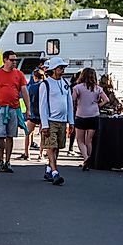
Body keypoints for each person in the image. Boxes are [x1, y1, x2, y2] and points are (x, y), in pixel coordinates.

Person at [0, 50, 30, 173]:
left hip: (14, 109)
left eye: (15, 59)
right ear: (5, 60)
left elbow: (24, 92)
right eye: (12, 59)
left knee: (10, 136)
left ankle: (8, 161)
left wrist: (28, 109)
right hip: (0, 108)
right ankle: (0, 159)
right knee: (0, 135)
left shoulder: (19, 74)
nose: (14, 62)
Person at [39, 56, 74, 185]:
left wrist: (71, 121)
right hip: (51, 120)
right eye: (60, 68)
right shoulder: (46, 84)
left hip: (62, 121)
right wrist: (45, 124)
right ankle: (55, 172)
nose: (63, 70)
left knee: (58, 146)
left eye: (63, 68)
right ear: (53, 69)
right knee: (51, 146)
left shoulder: (65, 83)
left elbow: (69, 103)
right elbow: (43, 105)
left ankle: (49, 169)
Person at [73, 67, 109, 170]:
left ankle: (85, 158)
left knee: (80, 140)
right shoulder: (98, 88)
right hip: (94, 115)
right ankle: (89, 162)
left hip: (81, 115)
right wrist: (98, 105)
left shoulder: (78, 87)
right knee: (89, 140)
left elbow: (73, 99)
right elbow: (106, 99)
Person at [20, 69, 46, 161]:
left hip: (32, 112)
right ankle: (41, 154)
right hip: (43, 113)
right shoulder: (45, 86)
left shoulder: (31, 87)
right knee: (43, 134)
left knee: (28, 133)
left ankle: (27, 153)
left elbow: (24, 97)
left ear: (34, 77)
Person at [66, 71, 82, 157]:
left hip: (72, 110)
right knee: (75, 130)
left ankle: (71, 148)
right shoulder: (77, 87)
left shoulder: (71, 85)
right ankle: (71, 148)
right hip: (76, 110)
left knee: (73, 129)